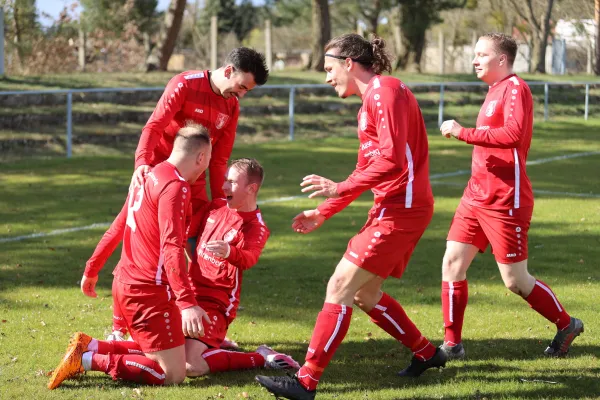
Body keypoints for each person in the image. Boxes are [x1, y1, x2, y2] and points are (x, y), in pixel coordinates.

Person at [256, 34, 444, 400]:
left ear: (349, 62)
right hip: (392, 208)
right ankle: (426, 353)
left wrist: (339, 187)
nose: (327, 78)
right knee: (365, 294)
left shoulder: (384, 91)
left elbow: (392, 160)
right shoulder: (367, 106)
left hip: (403, 210)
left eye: (329, 69)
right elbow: (366, 170)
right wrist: (323, 211)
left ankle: (305, 382)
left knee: (339, 287)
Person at [84, 47, 269, 341]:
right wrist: (142, 164)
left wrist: (220, 204)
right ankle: (122, 327)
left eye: (248, 91)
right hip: (160, 178)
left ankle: (202, 326)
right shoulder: (185, 83)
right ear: (229, 71)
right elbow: (154, 125)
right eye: (242, 86)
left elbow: (220, 160)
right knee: (144, 243)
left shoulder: (231, 106)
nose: (242, 94)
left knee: (199, 250)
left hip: (194, 186)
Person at [437, 33, 584, 360]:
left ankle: (566, 324)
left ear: (501, 59)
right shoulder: (494, 90)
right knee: (452, 263)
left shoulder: (516, 88)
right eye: (474, 53)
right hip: (475, 196)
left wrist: (463, 133)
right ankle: (452, 344)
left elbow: (513, 134)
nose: (474, 60)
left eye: (481, 54)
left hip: (505, 199)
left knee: (515, 280)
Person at [48, 123, 213, 390]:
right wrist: (187, 303)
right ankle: (88, 360)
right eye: (208, 162)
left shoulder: (145, 175)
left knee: (165, 351)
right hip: (147, 291)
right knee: (173, 374)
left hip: (125, 283)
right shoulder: (176, 187)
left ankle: (90, 345)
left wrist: (92, 268)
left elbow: (117, 227)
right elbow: (171, 247)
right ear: (201, 157)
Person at [184, 158, 300, 376]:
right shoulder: (216, 206)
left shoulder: (255, 226)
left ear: (251, 188)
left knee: (190, 366)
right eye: (226, 180)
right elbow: (189, 240)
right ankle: (99, 351)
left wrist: (230, 252)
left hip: (216, 304)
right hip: (187, 297)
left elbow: (249, 258)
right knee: (158, 349)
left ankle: (261, 357)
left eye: (232, 182)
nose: (224, 186)